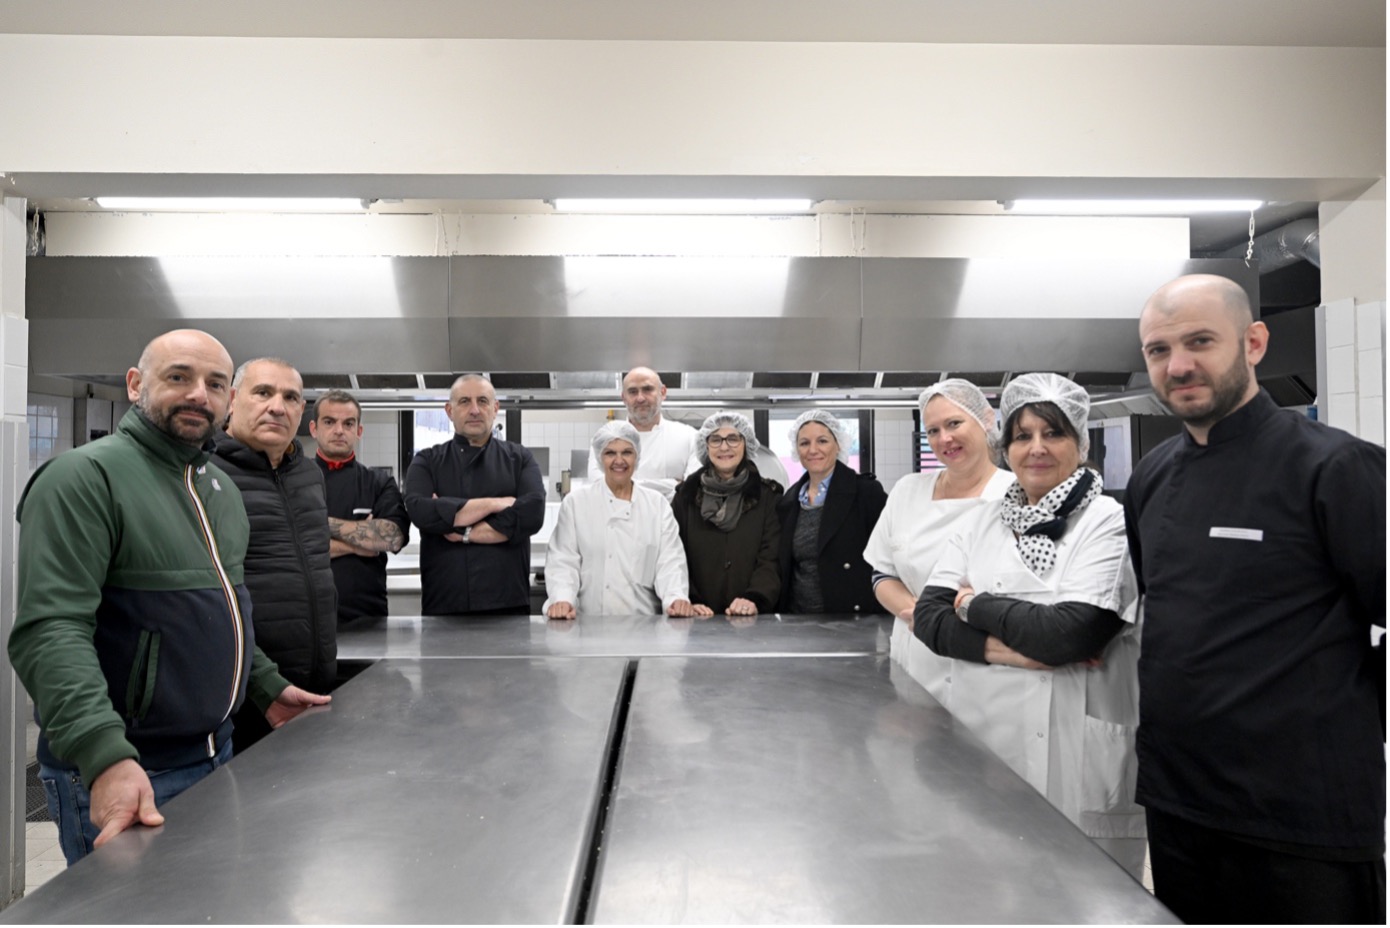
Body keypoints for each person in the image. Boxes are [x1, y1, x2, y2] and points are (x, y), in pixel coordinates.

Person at [10, 330, 330, 865]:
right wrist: (104, 756)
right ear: (136, 384)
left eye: (214, 383)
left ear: (226, 400)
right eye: (179, 377)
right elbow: (50, 632)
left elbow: (226, 610)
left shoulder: (217, 490)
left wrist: (266, 685)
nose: (198, 395)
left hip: (215, 754)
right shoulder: (83, 478)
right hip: (131, 769)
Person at [1126, 274, 1385, 924]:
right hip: (1179, 802)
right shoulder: (1152, 478)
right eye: (1159, 350)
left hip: (1300, 815)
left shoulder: (1335, 468)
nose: (1178, 364)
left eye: (1200, 341)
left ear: (1255, 342)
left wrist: (1347, 711)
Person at [913, 373, 1145, 877]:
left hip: (1073, 754)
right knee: (989, 889)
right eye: (1022, 436)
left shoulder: (1107, 520)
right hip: (985, 746)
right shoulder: (982, 521)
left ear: (1080, 443)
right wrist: (1014, 652)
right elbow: (929, 619)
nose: (1036, 448)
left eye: (1053, 434)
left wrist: (975, 607)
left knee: (1082, 894)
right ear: (1007, 445)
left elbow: (1068, 635)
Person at [212, 357, 338, 753]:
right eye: (263, 393)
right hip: (243, 694)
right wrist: (260, 683)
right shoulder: (207, 475)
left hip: (314, 681)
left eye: (290, 397)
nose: (277, 407)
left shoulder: (307, 474)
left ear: (302, 412)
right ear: (233, 400)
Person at [863, 379, 1014, 702]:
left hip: (990, 669)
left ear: (986, 420)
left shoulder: (1014, 493)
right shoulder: (908, 489)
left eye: (954, 423)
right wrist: (924, 618)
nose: (944, 438)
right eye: (933, 431)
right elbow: (882, 573)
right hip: (915, 660)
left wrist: (946, 627)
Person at [403, 374, 546, 615]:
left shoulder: (519, 458)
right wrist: (495, 504)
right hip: (444, 602)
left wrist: (462, 529)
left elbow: (532, 513)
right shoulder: (427, 460)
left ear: (495, 408)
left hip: (507, 602)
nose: (475, 410)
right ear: (449, 410)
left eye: (482, 401)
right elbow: (421, 511)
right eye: (464, 402)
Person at [544, 421, 697, 620]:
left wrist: (675, 597)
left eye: (627, 452)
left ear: (637, 457)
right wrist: (562, 598)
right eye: (610, 453)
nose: (619, 460)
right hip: (588, 627)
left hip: (645, 626)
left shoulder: (656, 505)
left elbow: (669, 561)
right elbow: (563, 560)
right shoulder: (576, 503)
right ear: (600, 458)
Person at [309, 390, 410, 623]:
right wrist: (357, 545)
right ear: (314, 429)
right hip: (306, 618)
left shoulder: (378, 482)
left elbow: (392, 537)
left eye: (348, 423)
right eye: (329, 422)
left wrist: (317, 523)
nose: (339, 430)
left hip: (367, 616)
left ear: (359, 431)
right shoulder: (294, 481)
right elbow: (290, 547)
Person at [775, 409, 888, 614]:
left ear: (838, 445)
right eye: (804, 443)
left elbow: (890, 554)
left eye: (822, 441)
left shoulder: (866, 493)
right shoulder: (788, 502)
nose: (813, 450)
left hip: (853, 619)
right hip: (799, 620)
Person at [671, 412, 782, 616]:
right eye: (715, 439)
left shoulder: (767, 497)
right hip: (697, 617)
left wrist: (754, 598)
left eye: (733, 438)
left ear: (746, 444)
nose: (724, 447)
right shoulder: (685, 497)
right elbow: (675, 554)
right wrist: (688, 599)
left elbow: (771, 556)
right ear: (705, 446)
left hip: (752, 618)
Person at [586, 366, 699, 500]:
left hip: (672, 520)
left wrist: (624, 486)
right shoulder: (604, 439)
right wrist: (673, 484)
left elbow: (691, 491)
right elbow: (600, 487)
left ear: (662, 392)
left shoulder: (689, 436)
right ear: (624, 398)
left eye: (647, 389)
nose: (640, 398)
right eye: (633, 391)